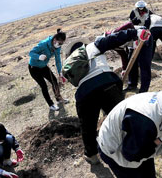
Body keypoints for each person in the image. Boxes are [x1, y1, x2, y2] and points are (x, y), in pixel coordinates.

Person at [61, 29, 151, 164]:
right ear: (82, 44)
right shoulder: (92, 46)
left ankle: (91, 155)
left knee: (88, 127)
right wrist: (135, 33)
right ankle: (133, 146)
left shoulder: (68, 63)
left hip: (85, 93)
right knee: (123, 118)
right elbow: (113, 39)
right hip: (107, 84)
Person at [28, 29, 67, 111]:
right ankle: (51, 104)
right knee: (44, 86)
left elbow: (58, 60)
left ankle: (59, 99)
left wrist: (60, 72)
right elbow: (31, 53)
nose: (60, 45)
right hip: (34, 68)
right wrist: (38, 57)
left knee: (54, 81)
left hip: (44, 67)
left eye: (62, 44)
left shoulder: (57, 47)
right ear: (55, 40)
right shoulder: (43, 44)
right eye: (59, 43)